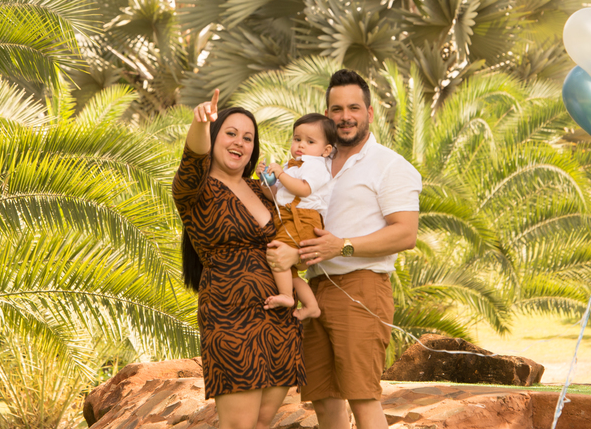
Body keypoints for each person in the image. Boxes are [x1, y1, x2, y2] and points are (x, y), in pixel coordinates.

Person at [266, 70, 422, 429]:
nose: (345, 116)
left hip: (361, 289)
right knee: (324, 399)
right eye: (336, 109)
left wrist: (344, 246)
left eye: (353, 107)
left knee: (362, 397)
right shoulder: (311, 165)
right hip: (316, 290)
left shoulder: (390, 166)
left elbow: (405, 234)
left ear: (369, 112)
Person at [173, 89, 304, 429]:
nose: (239, 142)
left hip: (278, 317)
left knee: (261, 423)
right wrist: (201, 122)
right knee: (238, 426)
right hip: (231, 318)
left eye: (248, 138)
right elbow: (192, 157)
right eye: (230, 133)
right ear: (214, 138)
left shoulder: (261, 188)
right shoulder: (196, 189)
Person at [259, 113, 338, 320]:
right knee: (290, 272)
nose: (301, 145)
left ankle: (286, 295)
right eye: (297, 139)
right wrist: (265, 179)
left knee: (278, 255)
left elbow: (303, 190)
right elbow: (274, 195)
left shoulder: (316, 166)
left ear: (326, 150)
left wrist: (281, 175)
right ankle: (311, 305)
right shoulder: (291, 166)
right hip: (287, 217)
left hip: (303, 218)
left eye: (310, 141)